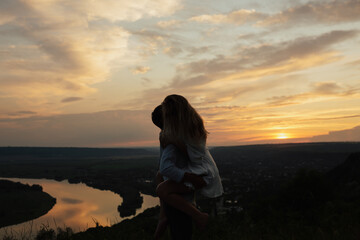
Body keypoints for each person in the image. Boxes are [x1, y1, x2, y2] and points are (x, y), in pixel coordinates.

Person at [154, 95, 224, 237]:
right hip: (199, 169)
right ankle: (163, 215)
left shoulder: (183, 133)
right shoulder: (190, 127)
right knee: (159, 176)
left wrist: (188, 177)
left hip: (202, 172)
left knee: (162, 190)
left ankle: (198, 215)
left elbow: (190, 155)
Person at [152, 104, 205, 240]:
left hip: (177, 201)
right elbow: (166, 168)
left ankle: (197, 215)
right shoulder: (171, 140)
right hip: (181, 204)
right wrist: (191, 179)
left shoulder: (168, 137)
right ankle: (199, 215)